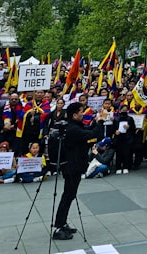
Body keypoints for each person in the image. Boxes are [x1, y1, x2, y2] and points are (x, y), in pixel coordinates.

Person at [52, 102, 103, 241]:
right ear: (74, 115)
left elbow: (88, 133)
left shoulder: (74, 126)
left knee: (70, 195)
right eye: (81, 111)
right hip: (71, 166)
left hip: (75, 165)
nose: (83, 113)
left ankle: (63, 223)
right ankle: (58, 226)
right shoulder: (73, 129)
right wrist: (101, 121)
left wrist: (94, 123)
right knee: (68, 195)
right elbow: (93, 134)